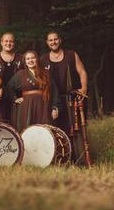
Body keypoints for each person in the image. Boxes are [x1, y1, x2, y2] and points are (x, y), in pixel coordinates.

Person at [40, 31, 88, 162]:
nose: (53, 42)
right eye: (50, 40)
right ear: (47, 43)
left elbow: (82, 71)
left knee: (74, 129)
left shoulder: (71, 55)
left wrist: (83, 89)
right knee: (55, 129)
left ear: (59, 40)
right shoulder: (43, 59)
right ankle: (59, 159)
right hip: (52, 100)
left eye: (55, 39)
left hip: (70, 98)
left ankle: (78, 159)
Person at [6, 51, 60, 132]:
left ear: (37, 59)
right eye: (28, 59)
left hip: (44, 106)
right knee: (28, 131)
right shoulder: (21, 74)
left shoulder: (46, 73)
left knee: (45, 130)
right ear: (25, 61)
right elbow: (8, 87)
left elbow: (54, 92)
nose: (30, 60)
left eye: (33, 58)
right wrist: (14, 98)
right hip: (27, 107)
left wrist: (55, 108)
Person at [0, 32, 24, 124]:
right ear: (1, 42)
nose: (8, 43)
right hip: (0, 99)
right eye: (6, 41)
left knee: (17, 125)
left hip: (17, 98)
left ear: (14, 43)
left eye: (11, 41)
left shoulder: (22, 58)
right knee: (1, 126)